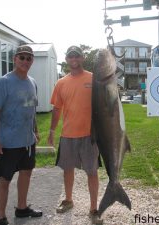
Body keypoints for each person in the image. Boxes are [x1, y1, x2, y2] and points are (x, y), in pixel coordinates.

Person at [0, 45, 42, 225]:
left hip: (27, 142)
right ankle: (1, 217)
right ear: (14, 59)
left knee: (26, 174)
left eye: (29, 58)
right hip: (8, 143)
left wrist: (36, 130)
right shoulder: (3, 82)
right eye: (22, 57)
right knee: (5, 179)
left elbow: (31, 108)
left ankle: (22, 208)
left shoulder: (32, 82)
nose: (25, 61)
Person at [47, 46, 103, 224]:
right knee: (67, 170)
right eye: (71, 56)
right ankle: (69, 200)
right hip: (68, 135)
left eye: (77, 56)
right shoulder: (61, 83)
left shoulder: (94, 79)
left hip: (90, 135)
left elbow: (104, 104)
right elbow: (57, 109)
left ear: (82, 58)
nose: (74, 59)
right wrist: (51, 131)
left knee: (92, 172)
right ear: (67, 59)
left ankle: (94, 209)